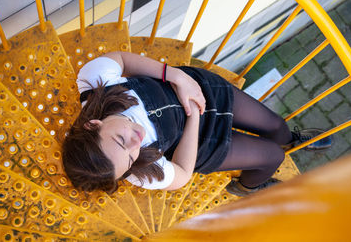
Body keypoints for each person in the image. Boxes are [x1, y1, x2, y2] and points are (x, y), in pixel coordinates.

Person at [62, 51, 332, 197]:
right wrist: (193, 117)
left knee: (277, 126)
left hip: (203, 88)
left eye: (121, 140)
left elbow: (121, 58)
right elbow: (180, 174)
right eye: (131, 156)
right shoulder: (137, 172)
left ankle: (288, 137)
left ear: (93, 124)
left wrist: (176, 77)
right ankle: (247, 186)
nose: (137, 141)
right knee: (273, 156)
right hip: (202, 140)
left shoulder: (93, 82)